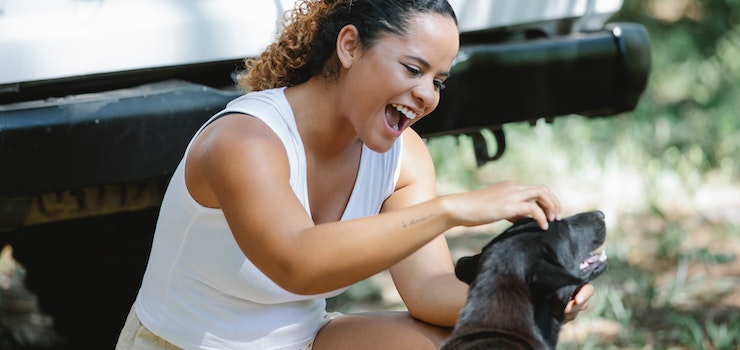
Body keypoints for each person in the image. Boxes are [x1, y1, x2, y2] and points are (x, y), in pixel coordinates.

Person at [116, 0, 594, 349]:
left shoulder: (402, 156)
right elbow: (298, 263)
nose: (427, 94)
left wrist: (536, 296)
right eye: (413, 68)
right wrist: (450, 210)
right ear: (349, 47)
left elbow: (429, 292)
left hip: (306, 342)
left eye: (439, 81)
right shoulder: (246, 140)